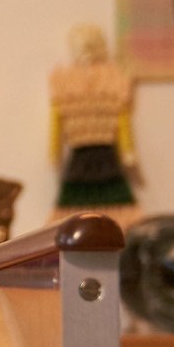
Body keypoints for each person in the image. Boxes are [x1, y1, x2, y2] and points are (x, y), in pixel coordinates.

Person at [49, 23, 139, 226]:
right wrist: (54, 151)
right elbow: (57, 121)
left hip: (106, 155)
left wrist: (128, 151)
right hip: (80, 157)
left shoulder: (113, 79)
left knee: (115, 202)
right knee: (74, 206)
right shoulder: (64, 83)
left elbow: (122, 120)